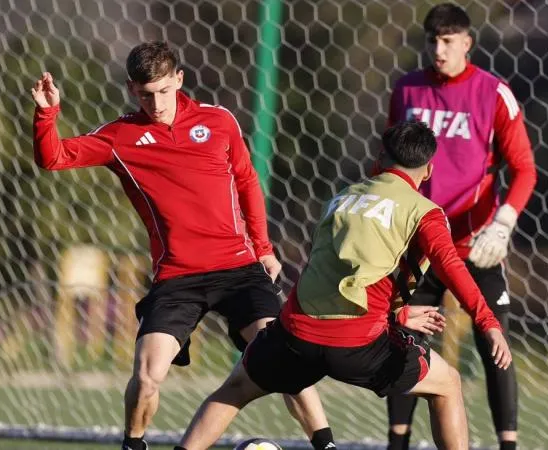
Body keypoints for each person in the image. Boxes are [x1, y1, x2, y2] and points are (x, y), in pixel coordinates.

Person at [31, 41, 334, 450]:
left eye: (162, 91)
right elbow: (54, 158)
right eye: (144, 94)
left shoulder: (219, 122)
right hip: (178, 277)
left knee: (280, 356)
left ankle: (326, 445)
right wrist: (47, 112)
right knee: (147, 374)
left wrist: (264, 247)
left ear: (179, 79)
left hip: (239, 269)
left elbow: (246, 181)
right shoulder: (121, 136)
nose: (155, 103)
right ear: (131, 89)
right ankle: (133, 444)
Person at [175, 120, 512, 450]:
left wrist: (398, 314)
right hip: (358, 346)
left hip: (297, 334)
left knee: (234, 388)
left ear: (378, 160)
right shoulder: (424, 212)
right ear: (428, 171)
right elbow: (451, 267)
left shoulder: (342, 199)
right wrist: (488, 323)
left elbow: (334, 275)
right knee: (449, 384)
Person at [382, 4, 537, 450]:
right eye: (433, 40)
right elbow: (390, 160)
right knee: (404, 340)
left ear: (467, 43)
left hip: (477, 245)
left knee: (495, 343)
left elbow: (525, 169)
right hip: (418, 244)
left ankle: (507, 443)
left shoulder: (493, 92)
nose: (438, 49)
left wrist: (503, 223)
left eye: (448, 41)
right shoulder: (407, 89)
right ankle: (397, 442)